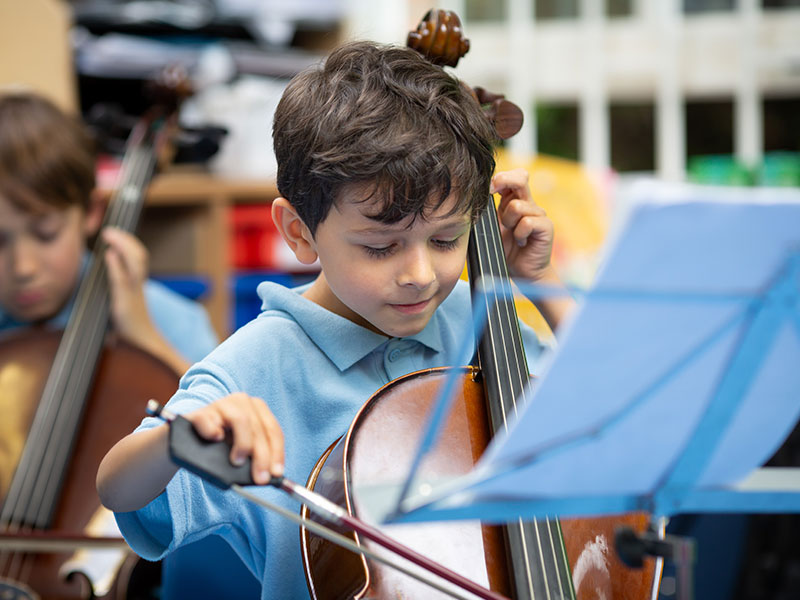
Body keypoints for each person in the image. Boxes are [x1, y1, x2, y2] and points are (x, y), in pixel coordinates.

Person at [96, 40, 574, 599]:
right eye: (380, 247)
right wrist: (179, 438)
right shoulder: (260, 363)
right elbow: (118, 485)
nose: (420, 274)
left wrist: (544, 288)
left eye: (447, 238)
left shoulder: (473, 319)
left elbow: (608, 409)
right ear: (299, 231)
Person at [0, 91, 218, 374]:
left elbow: (221, 411)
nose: (23, 267)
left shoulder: (174, 323)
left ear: (91, 212)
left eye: (46, 234)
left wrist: (144, 338)